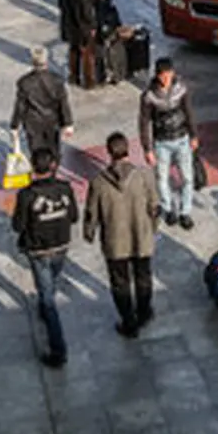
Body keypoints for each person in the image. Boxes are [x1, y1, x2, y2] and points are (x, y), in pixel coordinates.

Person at [83, 131, 158, 338]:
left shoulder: (98, 182)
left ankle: (128, 321)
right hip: (141, 237)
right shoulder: (144, 176)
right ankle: (144, 312)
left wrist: (89, 232)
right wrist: (152, 228)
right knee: (143, 277)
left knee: (120, 283)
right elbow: (154, 206)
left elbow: (91, 212)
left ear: (109, 152)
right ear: (127, 150)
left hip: (114, 242)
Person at [12, 148, 77, 369]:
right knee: (52, 281)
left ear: (32, 167)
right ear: (52, 166)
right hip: (61, 245)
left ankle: (58, 349)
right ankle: (45, 303)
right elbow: (74, 216)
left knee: (48, 297)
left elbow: (17, 225)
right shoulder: (65, 189)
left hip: (39, 250)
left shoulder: (26, 195)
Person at [138, 57, 199, 230]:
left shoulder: (181, 89)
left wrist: (194, 135)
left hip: (182, 139)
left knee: (187, 178)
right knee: (162, 178)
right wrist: (147, 148)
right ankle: (168, 208)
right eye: (162, 76)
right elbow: (143, 122)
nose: (166, 79)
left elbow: (189, 112)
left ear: (173, 73)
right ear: (157, 75)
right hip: (161, 142)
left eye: (168, 75)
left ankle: (185, 212)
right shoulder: (148, 96)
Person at [10, 46, 73, 159]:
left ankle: (39, 170)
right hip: (52, 121)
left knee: (36, 153)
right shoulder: (57, 80)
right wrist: (67, 123)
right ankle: (53, 170)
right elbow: (63, 103)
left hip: (33, 123)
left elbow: (20, 106)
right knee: (54, 150)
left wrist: (14, 125)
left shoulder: (24, 82)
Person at [58, 0, 97, 89]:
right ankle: (88, 81)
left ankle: (73, 76)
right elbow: (86, 12)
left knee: (73, 51)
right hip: (82, 28)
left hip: (69, 25)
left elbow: (61, 5)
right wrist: (92, 26)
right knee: (87, 55)